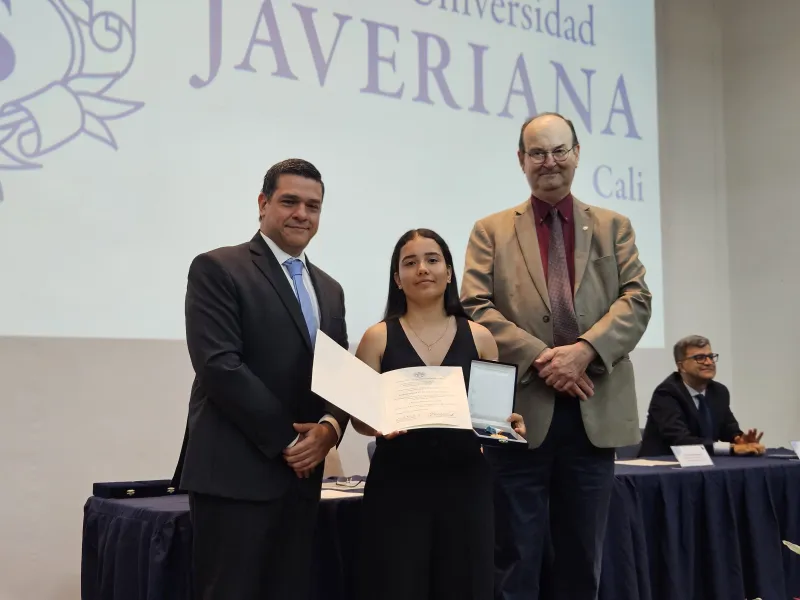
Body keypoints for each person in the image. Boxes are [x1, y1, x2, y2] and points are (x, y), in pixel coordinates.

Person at [460, 112, 652, 600]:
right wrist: (547, 357)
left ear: (578, 154)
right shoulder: (490, 230)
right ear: (521, 160)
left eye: (559, 150)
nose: (549, 162)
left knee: (581, 557)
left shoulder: (614, 227)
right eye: (537, 152)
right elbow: (474, 306)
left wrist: (584, 351)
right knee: (515, 557)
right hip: (517, 414)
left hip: (595, 412)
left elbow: (637, 299)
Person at [173, 158, 350, 600]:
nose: (302, 214)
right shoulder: (218, 268)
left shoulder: (330, 289)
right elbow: (218, 366)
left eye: (313, 205)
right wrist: (292, 444)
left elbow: (341, 375)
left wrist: (329, 431)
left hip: (301, 481)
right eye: (289, 201)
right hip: (235, 476)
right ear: (263, 203)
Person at [352, 228, 525, 600]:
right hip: (397, 485)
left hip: (466, 485)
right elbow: (360, 421)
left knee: (466, 585)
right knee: (396, 585)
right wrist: (379, 422)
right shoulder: (376, 337)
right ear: (397, 279)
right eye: (410, 263)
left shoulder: (480, 336)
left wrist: (506, 424)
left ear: (449, 272)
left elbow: (489, 416)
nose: (422, 269)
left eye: (432, 260)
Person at [639, 335, 765, 457]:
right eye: (700, 357)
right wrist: (731, 448)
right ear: (681, 366)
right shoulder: (666, 393)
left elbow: (728, 428)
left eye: (711, 356)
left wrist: (740, 440)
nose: (709, 362)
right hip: (662, 467)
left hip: (704, 464)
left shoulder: (719, 391)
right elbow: (680, 440)